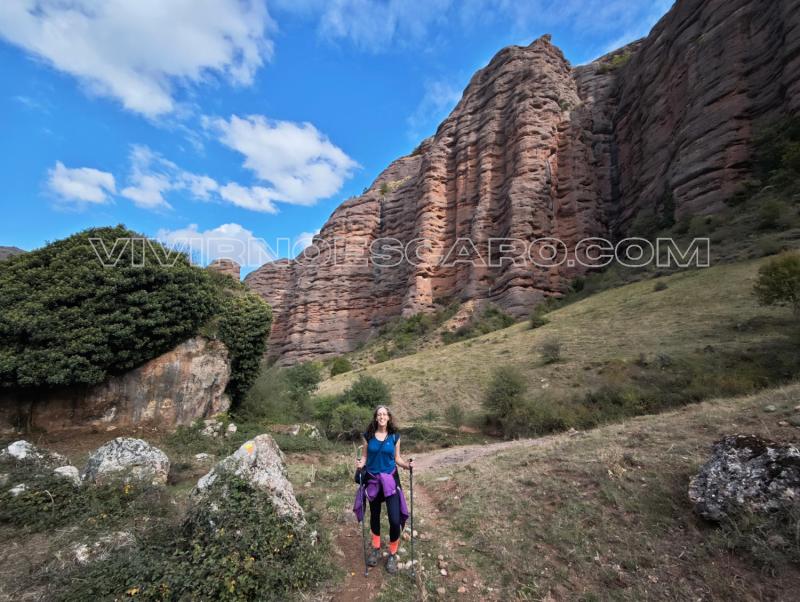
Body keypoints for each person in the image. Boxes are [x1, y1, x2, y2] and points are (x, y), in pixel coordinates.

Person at [354, 405, 414, 574]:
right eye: (379, 414)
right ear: (376, 417)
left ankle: (393, 554)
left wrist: (406, 466)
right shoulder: (368, 436)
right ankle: (376, 548)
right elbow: (365, 456)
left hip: (390, 480)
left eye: (384, 414)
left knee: (395, 519)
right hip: (373, 480)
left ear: (388, 417)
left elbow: (397, 458)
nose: (381, 417)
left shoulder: (395, 436)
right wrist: (361, 464)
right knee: (374, 515)